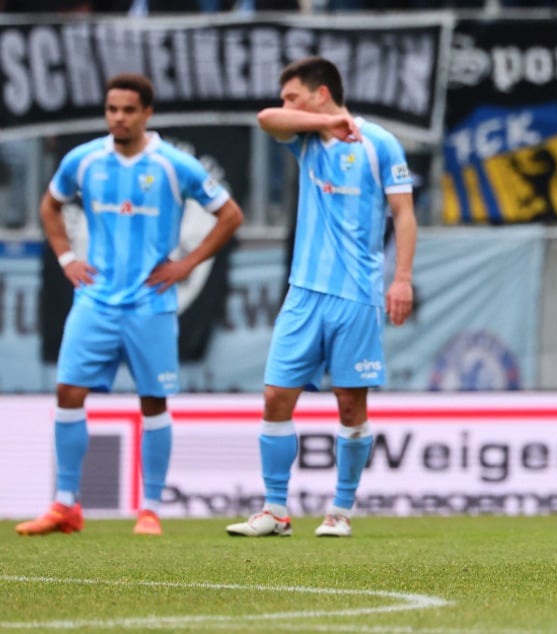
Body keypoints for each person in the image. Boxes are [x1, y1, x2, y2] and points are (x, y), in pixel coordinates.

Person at [15, 73, 244, 537]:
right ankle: (65, 505)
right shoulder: (84, 160)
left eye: (128, 110)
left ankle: (150, 508)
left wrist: (187, 265)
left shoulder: (174, 164)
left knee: (153, 401)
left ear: (147, 113)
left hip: (150, 303)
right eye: (112, 109)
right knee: (67, 394)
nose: (118, 118)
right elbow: (49, 205)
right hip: (95, 301)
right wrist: (66, 259)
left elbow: (230, 214)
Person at [226, 56, 416, 538]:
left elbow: (404, 215)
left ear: (322, 91)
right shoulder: (308, 138)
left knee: (350, 405)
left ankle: (341, 509)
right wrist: (326, 121)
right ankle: (274, 509)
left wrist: (402, 278)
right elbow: (267, 119)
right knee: (275, 397)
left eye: (294, 96)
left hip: (356, 295)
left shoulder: (381, 144)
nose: (285, 104)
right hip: (303, 293)